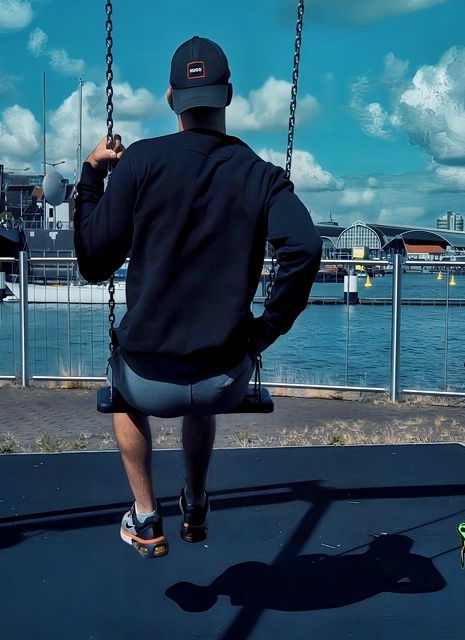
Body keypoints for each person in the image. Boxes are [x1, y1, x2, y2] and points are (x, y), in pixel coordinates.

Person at [74, 36, 322, 559]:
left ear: (172, 100)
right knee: (200, 396)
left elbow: (93, 263)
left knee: (120, 387)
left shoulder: (141, 162)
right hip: (222, 379)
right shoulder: (260, 174)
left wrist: (93, 175)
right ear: (227, 95)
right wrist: (266, 330)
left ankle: (146, 517)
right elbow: (304, 247)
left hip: (147, 377)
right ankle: (197, 499)